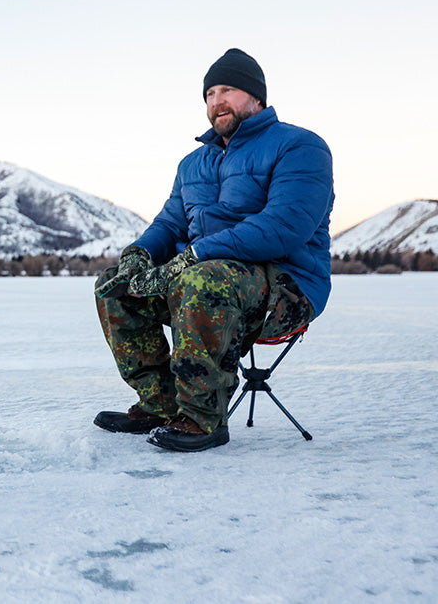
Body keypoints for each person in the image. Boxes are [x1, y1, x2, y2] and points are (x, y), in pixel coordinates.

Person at [92, 48, 334, 452]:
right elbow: (170, 223)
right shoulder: (192, 163)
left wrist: (193, 256)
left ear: (257, 98)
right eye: (209, 93)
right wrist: (138, 254)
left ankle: (203, 418)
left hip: (287, 286)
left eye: (228, 89)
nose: (216, 100)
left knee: (203, 278)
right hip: (204, 279)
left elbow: (283, 228)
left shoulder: (300, 146)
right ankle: (161, 404)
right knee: (114, 285)